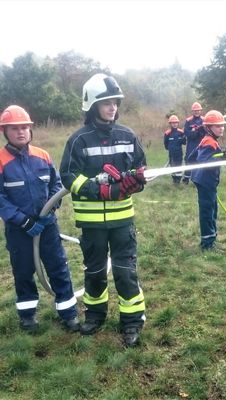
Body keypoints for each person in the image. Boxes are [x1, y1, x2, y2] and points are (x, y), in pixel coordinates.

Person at [59, 73, 146, 347]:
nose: (112, 107)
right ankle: (95, 315)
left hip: (122, 221)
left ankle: (132, 321)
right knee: (94, 271)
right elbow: (68, 176)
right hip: (92, 222)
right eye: (106, 102)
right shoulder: (79, 140)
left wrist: (134, 182)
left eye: (115, 102)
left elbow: (142, 171)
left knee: (125, 271)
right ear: (92, 105)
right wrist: (100, 190)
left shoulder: (128, 135)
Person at [0, 105, 79, 332]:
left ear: (30, 129)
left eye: (24, 127)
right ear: (5, 131)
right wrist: (23, 221)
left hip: (47, 227)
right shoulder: (1, 161)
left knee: (58, 268)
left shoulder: (42, 156)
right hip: (19, 230)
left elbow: (56, 185)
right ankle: (27, 316)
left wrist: (51, 209)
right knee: (23, 272)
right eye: (14, 128)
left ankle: (69, 314)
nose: (20, 132)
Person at [189, 110, 226, 251]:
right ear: (208, 127)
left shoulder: (208, 140)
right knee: (208, 212)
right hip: (205, 182)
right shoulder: (209, 142)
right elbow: (204, 161)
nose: (221, 128)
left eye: (222, 125)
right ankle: (207, 244)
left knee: (212, 210)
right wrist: (220, 157)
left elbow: (192, 157)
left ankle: (211, 240)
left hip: (207, 182)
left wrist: (220, 155)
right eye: (217, 126)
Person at [182, 102, 205, 184]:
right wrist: (195, 132)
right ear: (193, 111)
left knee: (200, 160)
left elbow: (207, 133)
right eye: (195, 110)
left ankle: (197, 180)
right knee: (189, 160)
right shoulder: (188, 121)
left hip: (201, 144)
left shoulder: (204, 120)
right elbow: (187, 133)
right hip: (191, 145)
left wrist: (201, 131)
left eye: (198, 110)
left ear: (201, 111)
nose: (197, 112)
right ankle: (186, 179)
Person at [163, 114, 186, 184]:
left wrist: (184, 138)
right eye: (173, 123)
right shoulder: (167, 133)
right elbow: (165, 144)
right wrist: (169, 149)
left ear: (178, 123)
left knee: (178, 166)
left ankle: (178, 180)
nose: (175, 124)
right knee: (172, 166)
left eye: (176, 123)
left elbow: (184, 142)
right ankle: (174, 180)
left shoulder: (181, 132)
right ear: (170, 124)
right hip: (171, 154)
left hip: (179, 153)